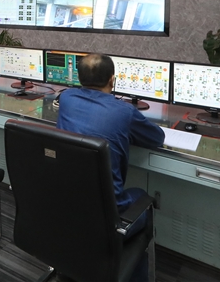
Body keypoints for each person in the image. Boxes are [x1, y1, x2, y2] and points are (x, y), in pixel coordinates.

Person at [56, 53, 164, 282]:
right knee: (142, 200)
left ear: (79, 78)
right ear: (112, 79)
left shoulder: (66, 98)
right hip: (107, 219)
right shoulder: (124, 112)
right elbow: (157, 138)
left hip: (65, 208)